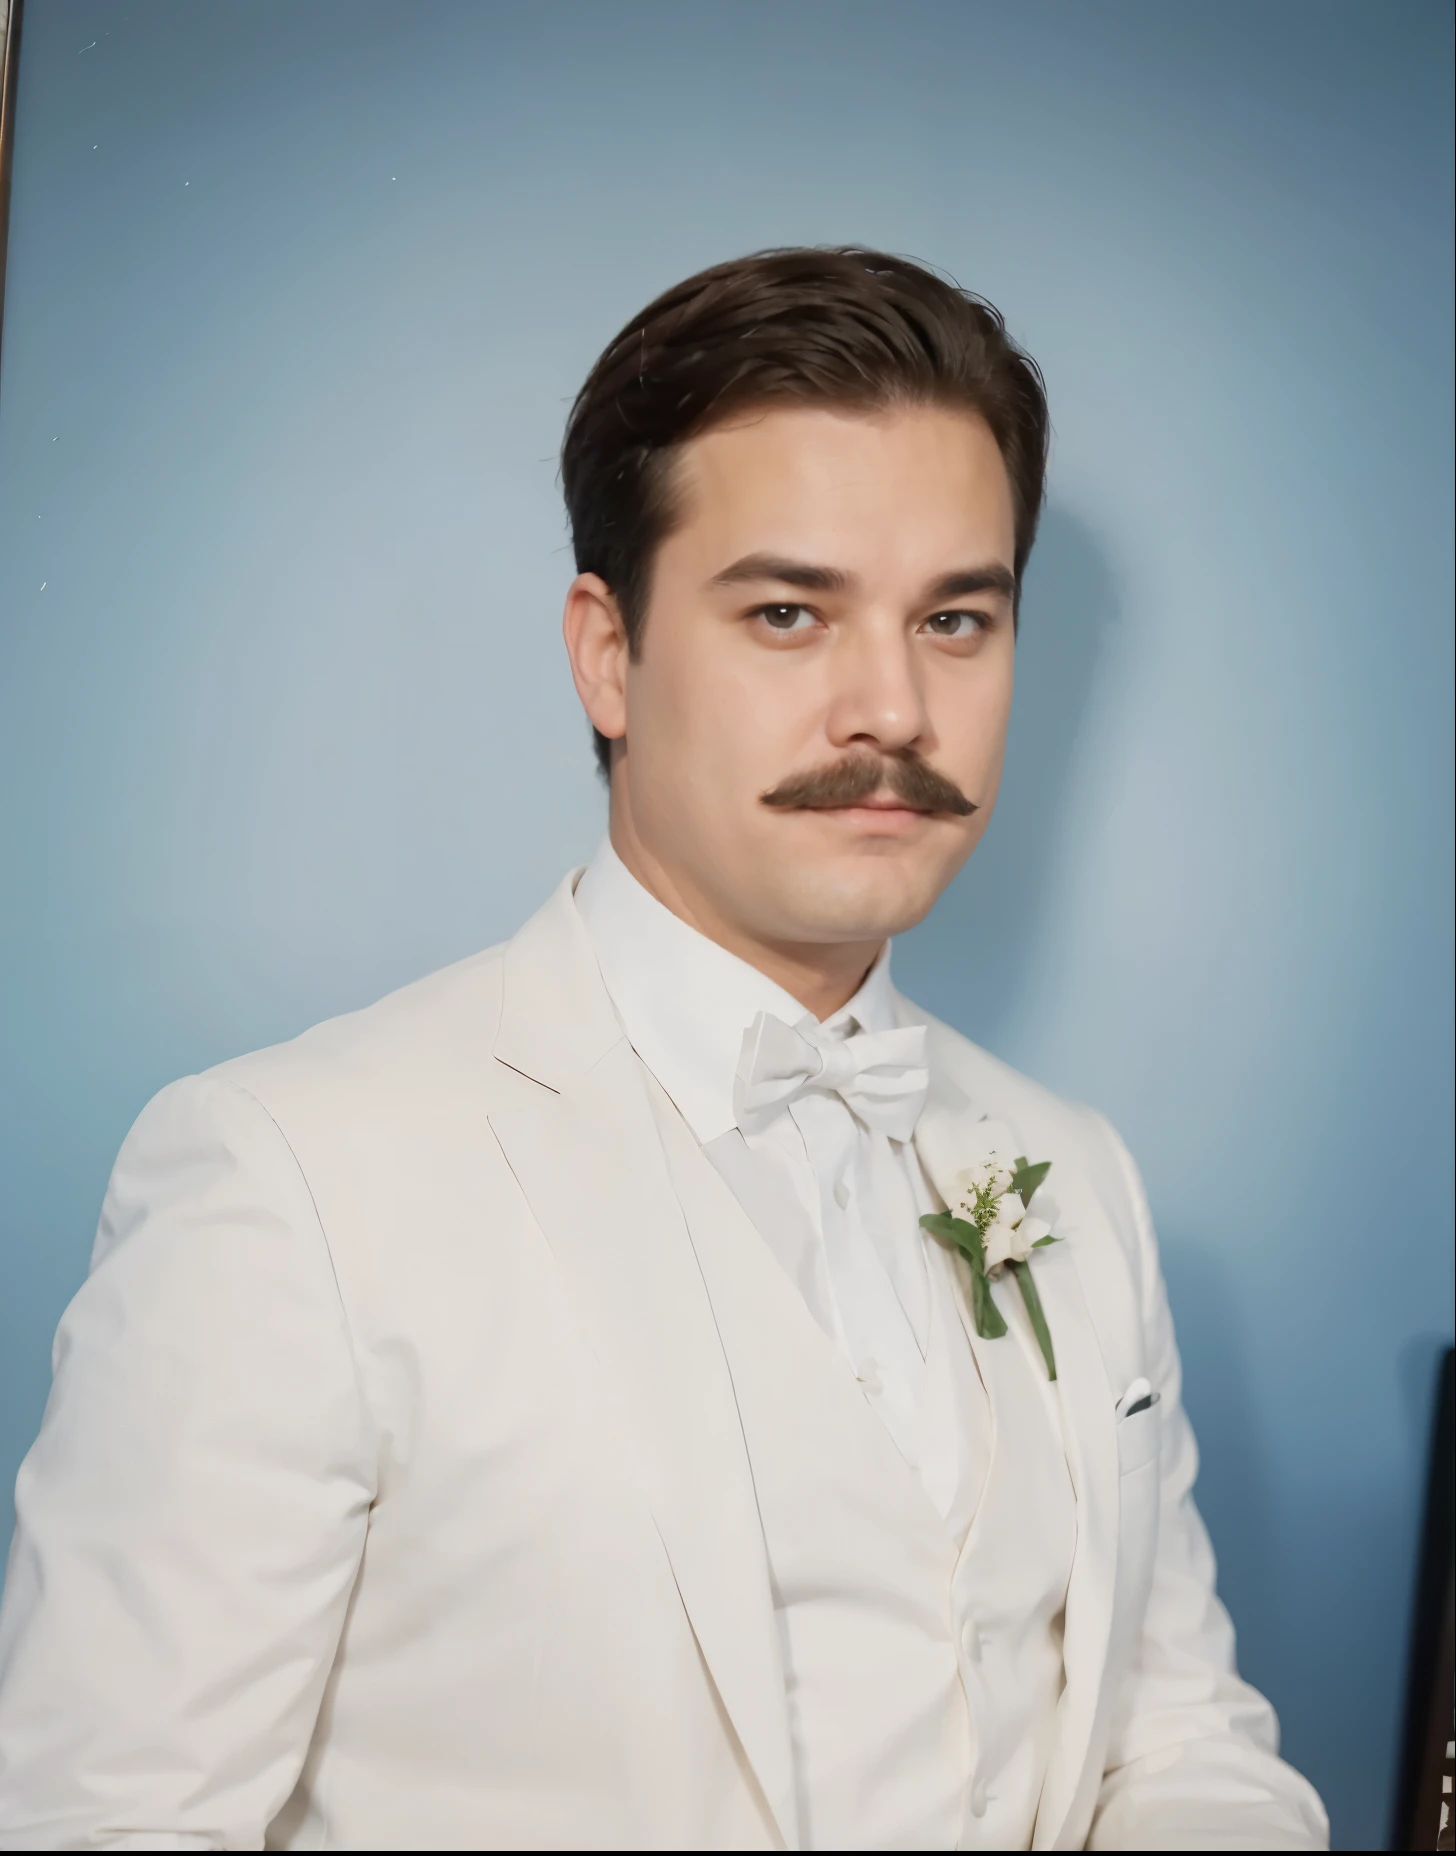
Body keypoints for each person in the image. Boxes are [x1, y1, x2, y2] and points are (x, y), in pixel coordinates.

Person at [0, 248, 1328, 1851]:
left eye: (957, 619)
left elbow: (1176, 1744)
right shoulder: (288, 1182)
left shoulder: (1077, 1174)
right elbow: (105, 1825)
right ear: (608, 653)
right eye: (789, 612)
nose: (893, 708)